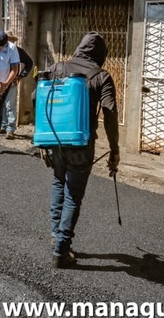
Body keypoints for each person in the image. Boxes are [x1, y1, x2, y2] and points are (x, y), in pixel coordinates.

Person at [38, 32, 120, 268]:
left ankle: (57, 235)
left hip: (53, 140)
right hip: (81, 144)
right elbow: (110, 113)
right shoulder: (101, 76)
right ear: (100, 54)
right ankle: (62, 250)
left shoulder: (56, 68)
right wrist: (115, 150)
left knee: (57, 183)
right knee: (73, 193)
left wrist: (43, 139)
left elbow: (36, 97)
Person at [0, 31, 34, 139]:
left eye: (10, 39)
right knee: (1, 105)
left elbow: (29, 63)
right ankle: (3, 125)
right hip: (0, 81)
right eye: (7, 39)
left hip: (11, 82)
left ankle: (10, 129)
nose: (8, 41)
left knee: (10, 105)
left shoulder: (18, 51)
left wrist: (20, 76)